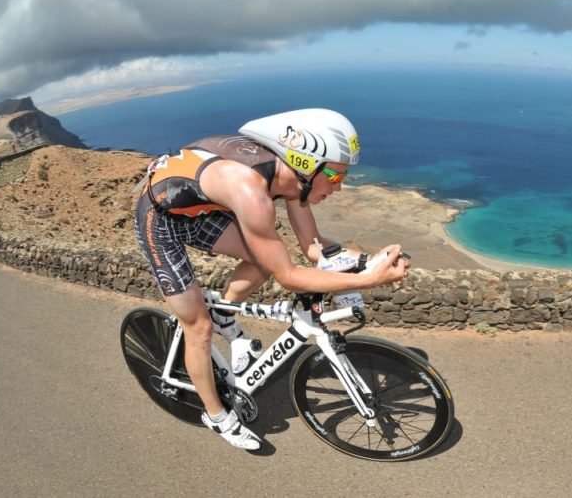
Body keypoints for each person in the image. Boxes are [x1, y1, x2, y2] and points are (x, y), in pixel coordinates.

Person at [133, 108, 409, 450]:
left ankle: (225, 311)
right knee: (198, 328)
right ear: (307, 164)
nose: (340, 187)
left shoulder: (293, 183)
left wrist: (368, 261)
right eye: (336, 177)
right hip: (161, 219)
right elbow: (290, 278)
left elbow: (314, 249)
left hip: (200, 208)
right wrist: (369, 281)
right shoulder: (250, 190)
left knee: (262, 259)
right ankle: (217, 416)